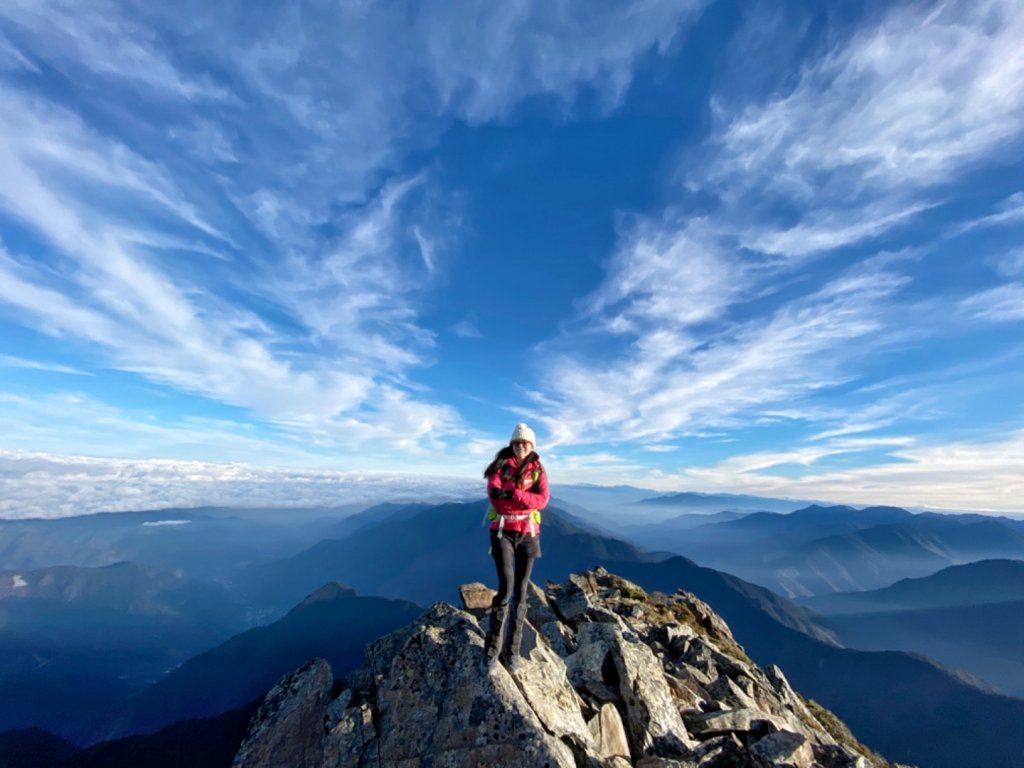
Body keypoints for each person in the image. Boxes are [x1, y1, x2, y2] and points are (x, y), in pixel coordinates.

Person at [482, 422, 549, 668]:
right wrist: (521, 501)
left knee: (521, 590)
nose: (521, 446)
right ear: (512, 444)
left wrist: (513, 494)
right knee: (507, 586)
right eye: (517, 442)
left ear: (532, 446)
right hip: (503, 533)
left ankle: (513, 651)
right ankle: (492, 649)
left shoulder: (538, 470)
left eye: (525, 443)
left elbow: (542, 501)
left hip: (528, 534)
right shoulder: (499, 467)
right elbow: (497, 501)